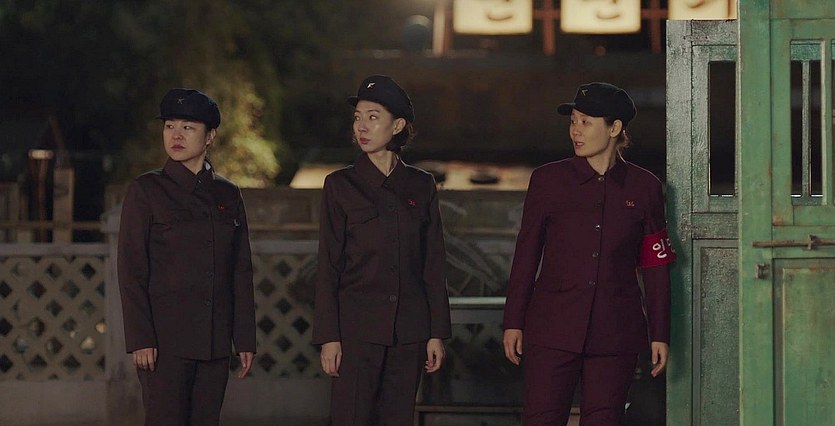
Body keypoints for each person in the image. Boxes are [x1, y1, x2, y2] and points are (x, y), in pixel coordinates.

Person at [502, 82, 675, 425]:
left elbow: (656, 267)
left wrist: (659, 333)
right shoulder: (547, 181)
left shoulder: (645, 188)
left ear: (614, 128)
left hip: (616, 333)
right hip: (551, 330)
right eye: (573, 122)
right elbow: (526, 256)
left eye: (585, 122)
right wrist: (513, 322)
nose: (575, 131)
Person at [312, 74, 452, 425]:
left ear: (397, 125)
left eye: (373, 117)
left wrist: (436, 332)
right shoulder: (340, 185)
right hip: (356, 332)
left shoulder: (421, 184)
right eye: (358, 117)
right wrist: (329, 337)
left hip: (409, 332)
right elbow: (328, 265)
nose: (362, 126)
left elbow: (433, 264)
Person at [118, 88, 256, 425]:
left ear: (210, 136)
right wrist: (141, 339)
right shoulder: (146, 191)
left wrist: (244, 338)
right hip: (164, 344)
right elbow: (131, 270)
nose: (176, 135)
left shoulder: (227, 193)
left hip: (214, 341)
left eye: (188, 127)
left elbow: (240, 270)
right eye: (169, 126)